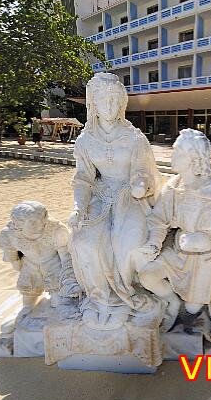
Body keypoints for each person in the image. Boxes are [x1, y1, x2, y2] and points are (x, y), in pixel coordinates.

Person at [63, 72, 163, 327]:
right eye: (103, 100)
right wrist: (79, 207)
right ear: (93, 104)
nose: (108, 106)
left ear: (121, 104)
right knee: (84, 241)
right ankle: (100, 299)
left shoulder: (134, 138)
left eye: (113, 100)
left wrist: (141, 183)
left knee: (127, 244)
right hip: (99, 196)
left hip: (129, 196)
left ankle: (123, 298)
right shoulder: (85, 140)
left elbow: (143, 171)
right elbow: (83, 178)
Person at [135, 129, 211, 342]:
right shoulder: (174, 186)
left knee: (193, 306)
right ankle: (173, 302)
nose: (172, 156)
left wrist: (196, 240)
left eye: (177, 152)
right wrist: (154, 242)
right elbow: (158, 218)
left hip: (203, 261)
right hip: (177, 252)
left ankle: (194, 314)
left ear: (193, 159)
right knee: (147, 275)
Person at [0, 201, 74, 317]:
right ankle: (28, 306)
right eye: (33, 222)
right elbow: (13, 258)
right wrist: (20, 268)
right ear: (19, 224)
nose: (40, 224)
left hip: (54, 264)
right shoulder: (9, 234)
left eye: (42, 219)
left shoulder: (57, 230)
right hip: (30, 265)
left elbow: (66, 258)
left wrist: (67, 277)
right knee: (28, 295)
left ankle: (57, 297)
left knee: (59, 302)